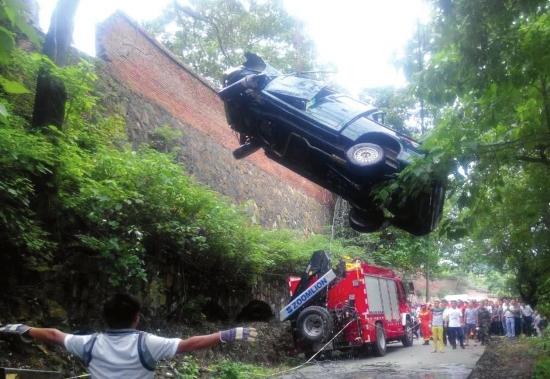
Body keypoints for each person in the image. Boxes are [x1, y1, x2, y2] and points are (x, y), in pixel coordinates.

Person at [0, 294, 257, 379]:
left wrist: (21, 328)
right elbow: (188, 344)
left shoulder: (88, 343)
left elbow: (55, 335)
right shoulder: (146, 343)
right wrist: (228, 333)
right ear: (137, 317)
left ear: (106, 318)